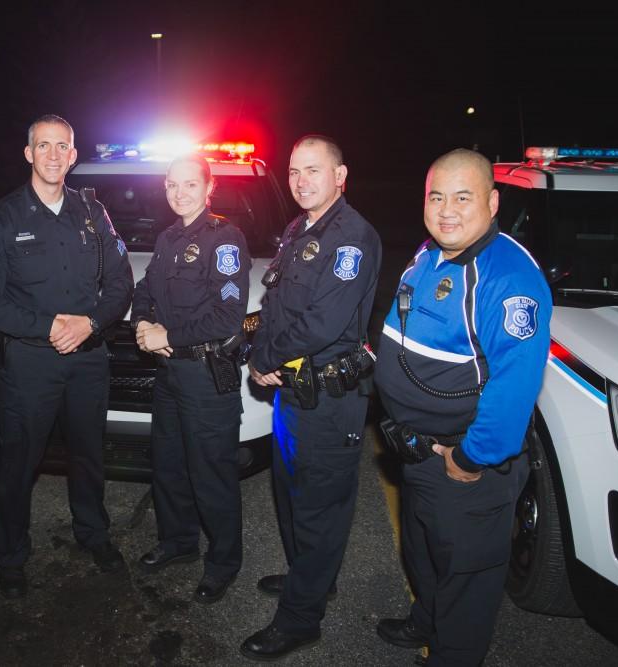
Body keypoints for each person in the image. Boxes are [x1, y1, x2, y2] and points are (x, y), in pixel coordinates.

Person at [373, 148, 551, 665]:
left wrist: (472, 459)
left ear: (493, 203)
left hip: (462, 469)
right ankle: (424, 621)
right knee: (424, 554)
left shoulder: (509, 278)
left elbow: (515, 388)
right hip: (416, 453)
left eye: (463, 196)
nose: (446, 208)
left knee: (466, 580)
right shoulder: (431, 252)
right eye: (436, 196)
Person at [0, 114, 134, 599]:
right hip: (30, 363)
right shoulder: (1, 218)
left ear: (74, 155)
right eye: (44, 146)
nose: (54, 155)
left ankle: (94, 534)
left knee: (88, 456)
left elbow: (121, 282)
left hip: (88, 357)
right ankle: (12, 555)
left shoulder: (92, 212)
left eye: (63, 146)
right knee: (20, 463)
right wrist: (48, 327)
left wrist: (91, 323)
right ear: (28, 154)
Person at [239, 135, 381, 660]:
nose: (300, 180)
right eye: (294, 170)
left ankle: (301, 620)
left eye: (313, 170)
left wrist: (264, 359)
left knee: (320, 508)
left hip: (327, 398)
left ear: (339, 176)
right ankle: (312, 579)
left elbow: (322, 323)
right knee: (292, 495)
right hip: (294, 393)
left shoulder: (352, 238)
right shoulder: (300, 229)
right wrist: (263, 349)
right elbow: (277, 304)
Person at [131, 155, 251, 604]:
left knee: (211, 475)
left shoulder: (225, 239)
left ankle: (222, 564)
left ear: (208, 186)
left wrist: (170, 334)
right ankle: (178, 542)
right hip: (169, 375)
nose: (179, 193)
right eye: (172, 185)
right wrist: (142, 324)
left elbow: (227, 315)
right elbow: (144, 290)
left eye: (189, 184)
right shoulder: (166, 238)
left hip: (205, 377)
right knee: (168, 466)